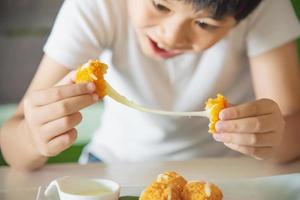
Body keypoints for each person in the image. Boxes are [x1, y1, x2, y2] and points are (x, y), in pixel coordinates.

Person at [1, 0, 300, 171]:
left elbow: (292, 131)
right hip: (111, 164)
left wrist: (274, 138)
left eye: (205, 25)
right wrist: (32, 136)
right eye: (160, 4)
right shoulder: (97, 6)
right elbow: (13, 145)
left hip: (227, 169)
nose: (171, 35)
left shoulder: (263, 5)